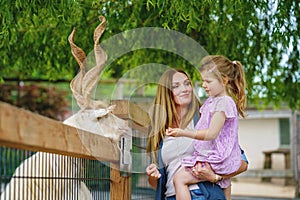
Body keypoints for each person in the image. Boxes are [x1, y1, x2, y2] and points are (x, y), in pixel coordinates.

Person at [146, 67, 248, 200]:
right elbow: (158, 185)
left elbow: (242, 163)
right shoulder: (160, 132)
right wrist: (152, 176)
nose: (185, 89)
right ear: (166, 93)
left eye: (187, 83)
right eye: (176, 86)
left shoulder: (205, 119)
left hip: (202, 194)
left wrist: (215, 176)